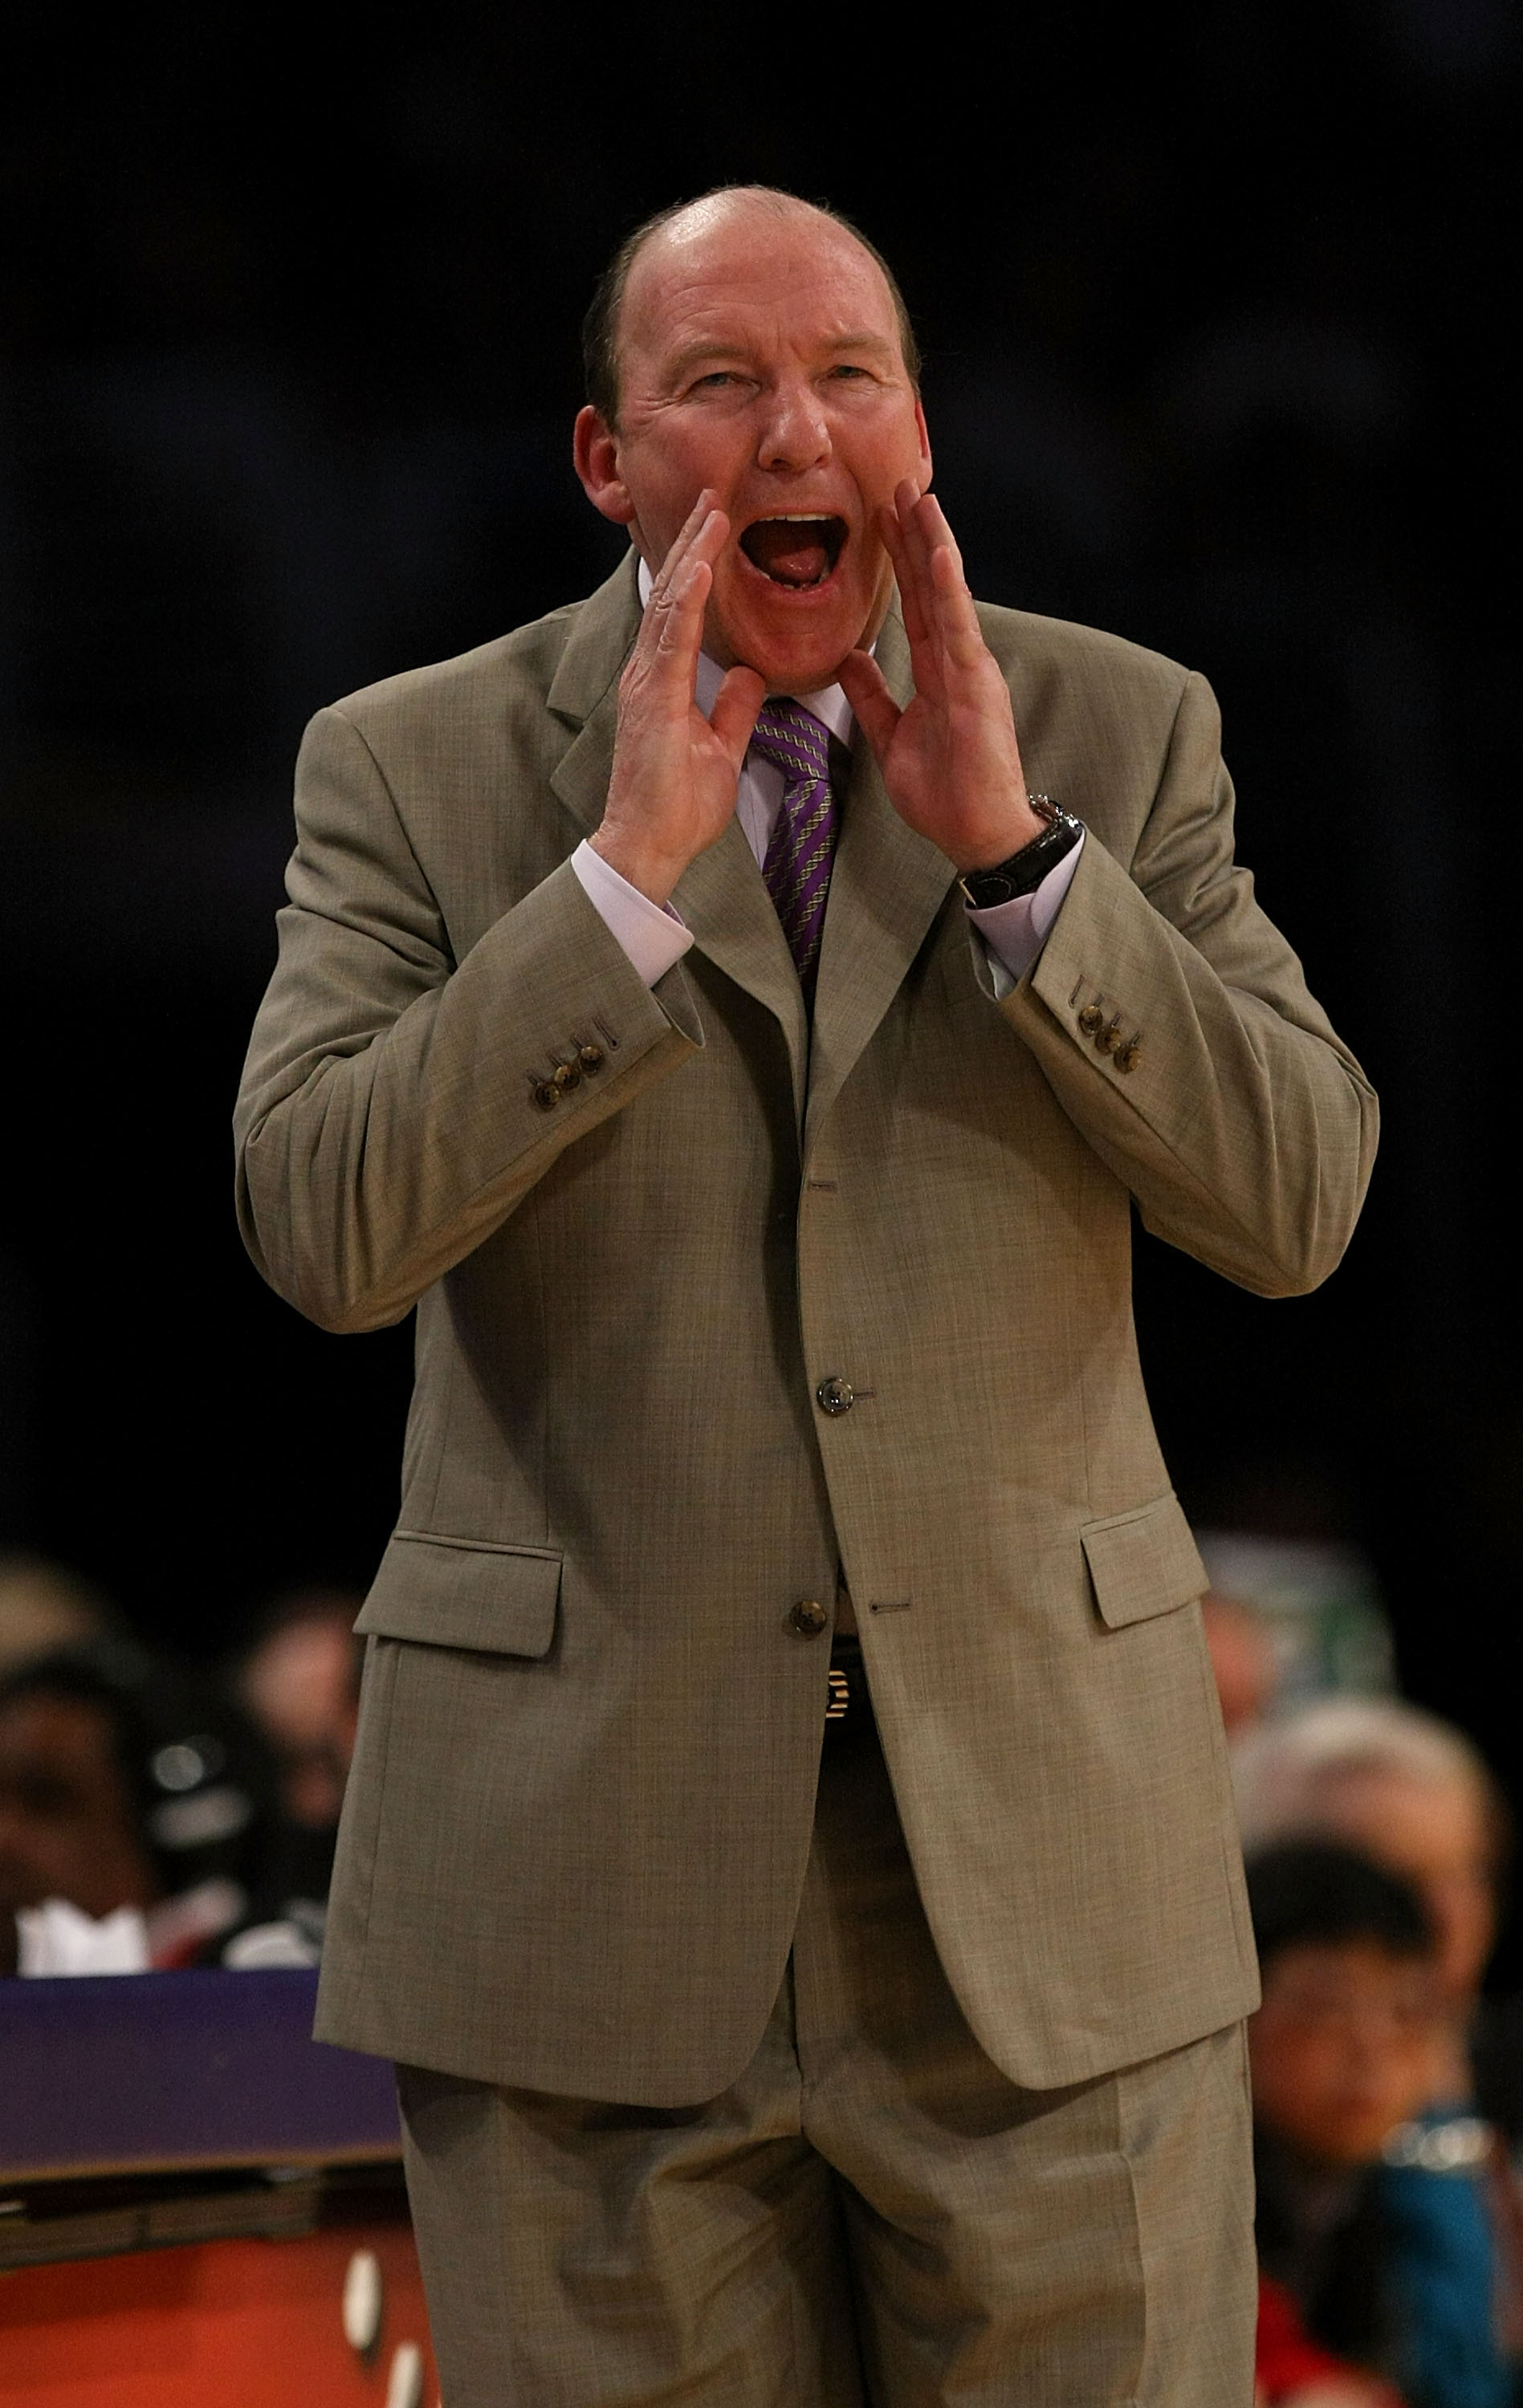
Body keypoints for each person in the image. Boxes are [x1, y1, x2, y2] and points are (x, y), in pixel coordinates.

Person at [234, 185, 1378, 2404]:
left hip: (1051, 1901)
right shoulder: (409, 765)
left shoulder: (1118, 741)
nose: (794, 432)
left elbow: (1301, 1198)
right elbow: (323, 1229)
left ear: (917, 435)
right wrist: (611, 891)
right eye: (721, 383)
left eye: (847, 376)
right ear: (606, 459)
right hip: (586, 1907)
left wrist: (1023, 867)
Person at [1246, 1840, 1511, 2408]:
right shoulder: (1197, 2199)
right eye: (1324, 2006)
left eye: (1406, 2011)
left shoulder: (1418, 2183)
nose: (1370, 2049)